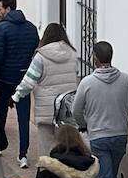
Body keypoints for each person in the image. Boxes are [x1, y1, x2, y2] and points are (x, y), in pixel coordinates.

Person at [72, 41, 128, 178]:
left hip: (98, 135)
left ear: (95, 59)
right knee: (111, 176)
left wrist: (86, 125)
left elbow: (76, 110)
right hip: (120, 135)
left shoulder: (87, 83)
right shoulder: (125, 80)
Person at [9, 24, 77, 162]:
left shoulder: (41, 57)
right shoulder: (73, 54)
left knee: (46, 149)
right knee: (65, 148)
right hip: (67, 108)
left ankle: (47, 176)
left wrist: (16, 96)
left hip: (47, 109)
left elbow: (29, 82)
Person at [0, 0, 39, 164]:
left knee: (0, 113)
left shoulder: (2, 28)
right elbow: (34, 52)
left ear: (8, 9)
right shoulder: (32, 28)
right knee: (23, 117)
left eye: (0, 9)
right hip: (24, 79)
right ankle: (23, 154)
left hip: (4, 79)